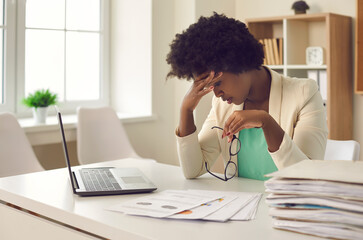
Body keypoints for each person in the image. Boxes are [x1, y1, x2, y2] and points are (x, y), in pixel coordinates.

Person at [166, 13, 328, 181]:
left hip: (285, 204)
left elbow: (307, 177)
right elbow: (193, 170)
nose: (216, 93)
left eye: (218, 83)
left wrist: (266, 122)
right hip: (242, 204)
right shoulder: (222, 105)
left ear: (240, 63)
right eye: (210, 86)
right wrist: (186, 110)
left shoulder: (304, 94)